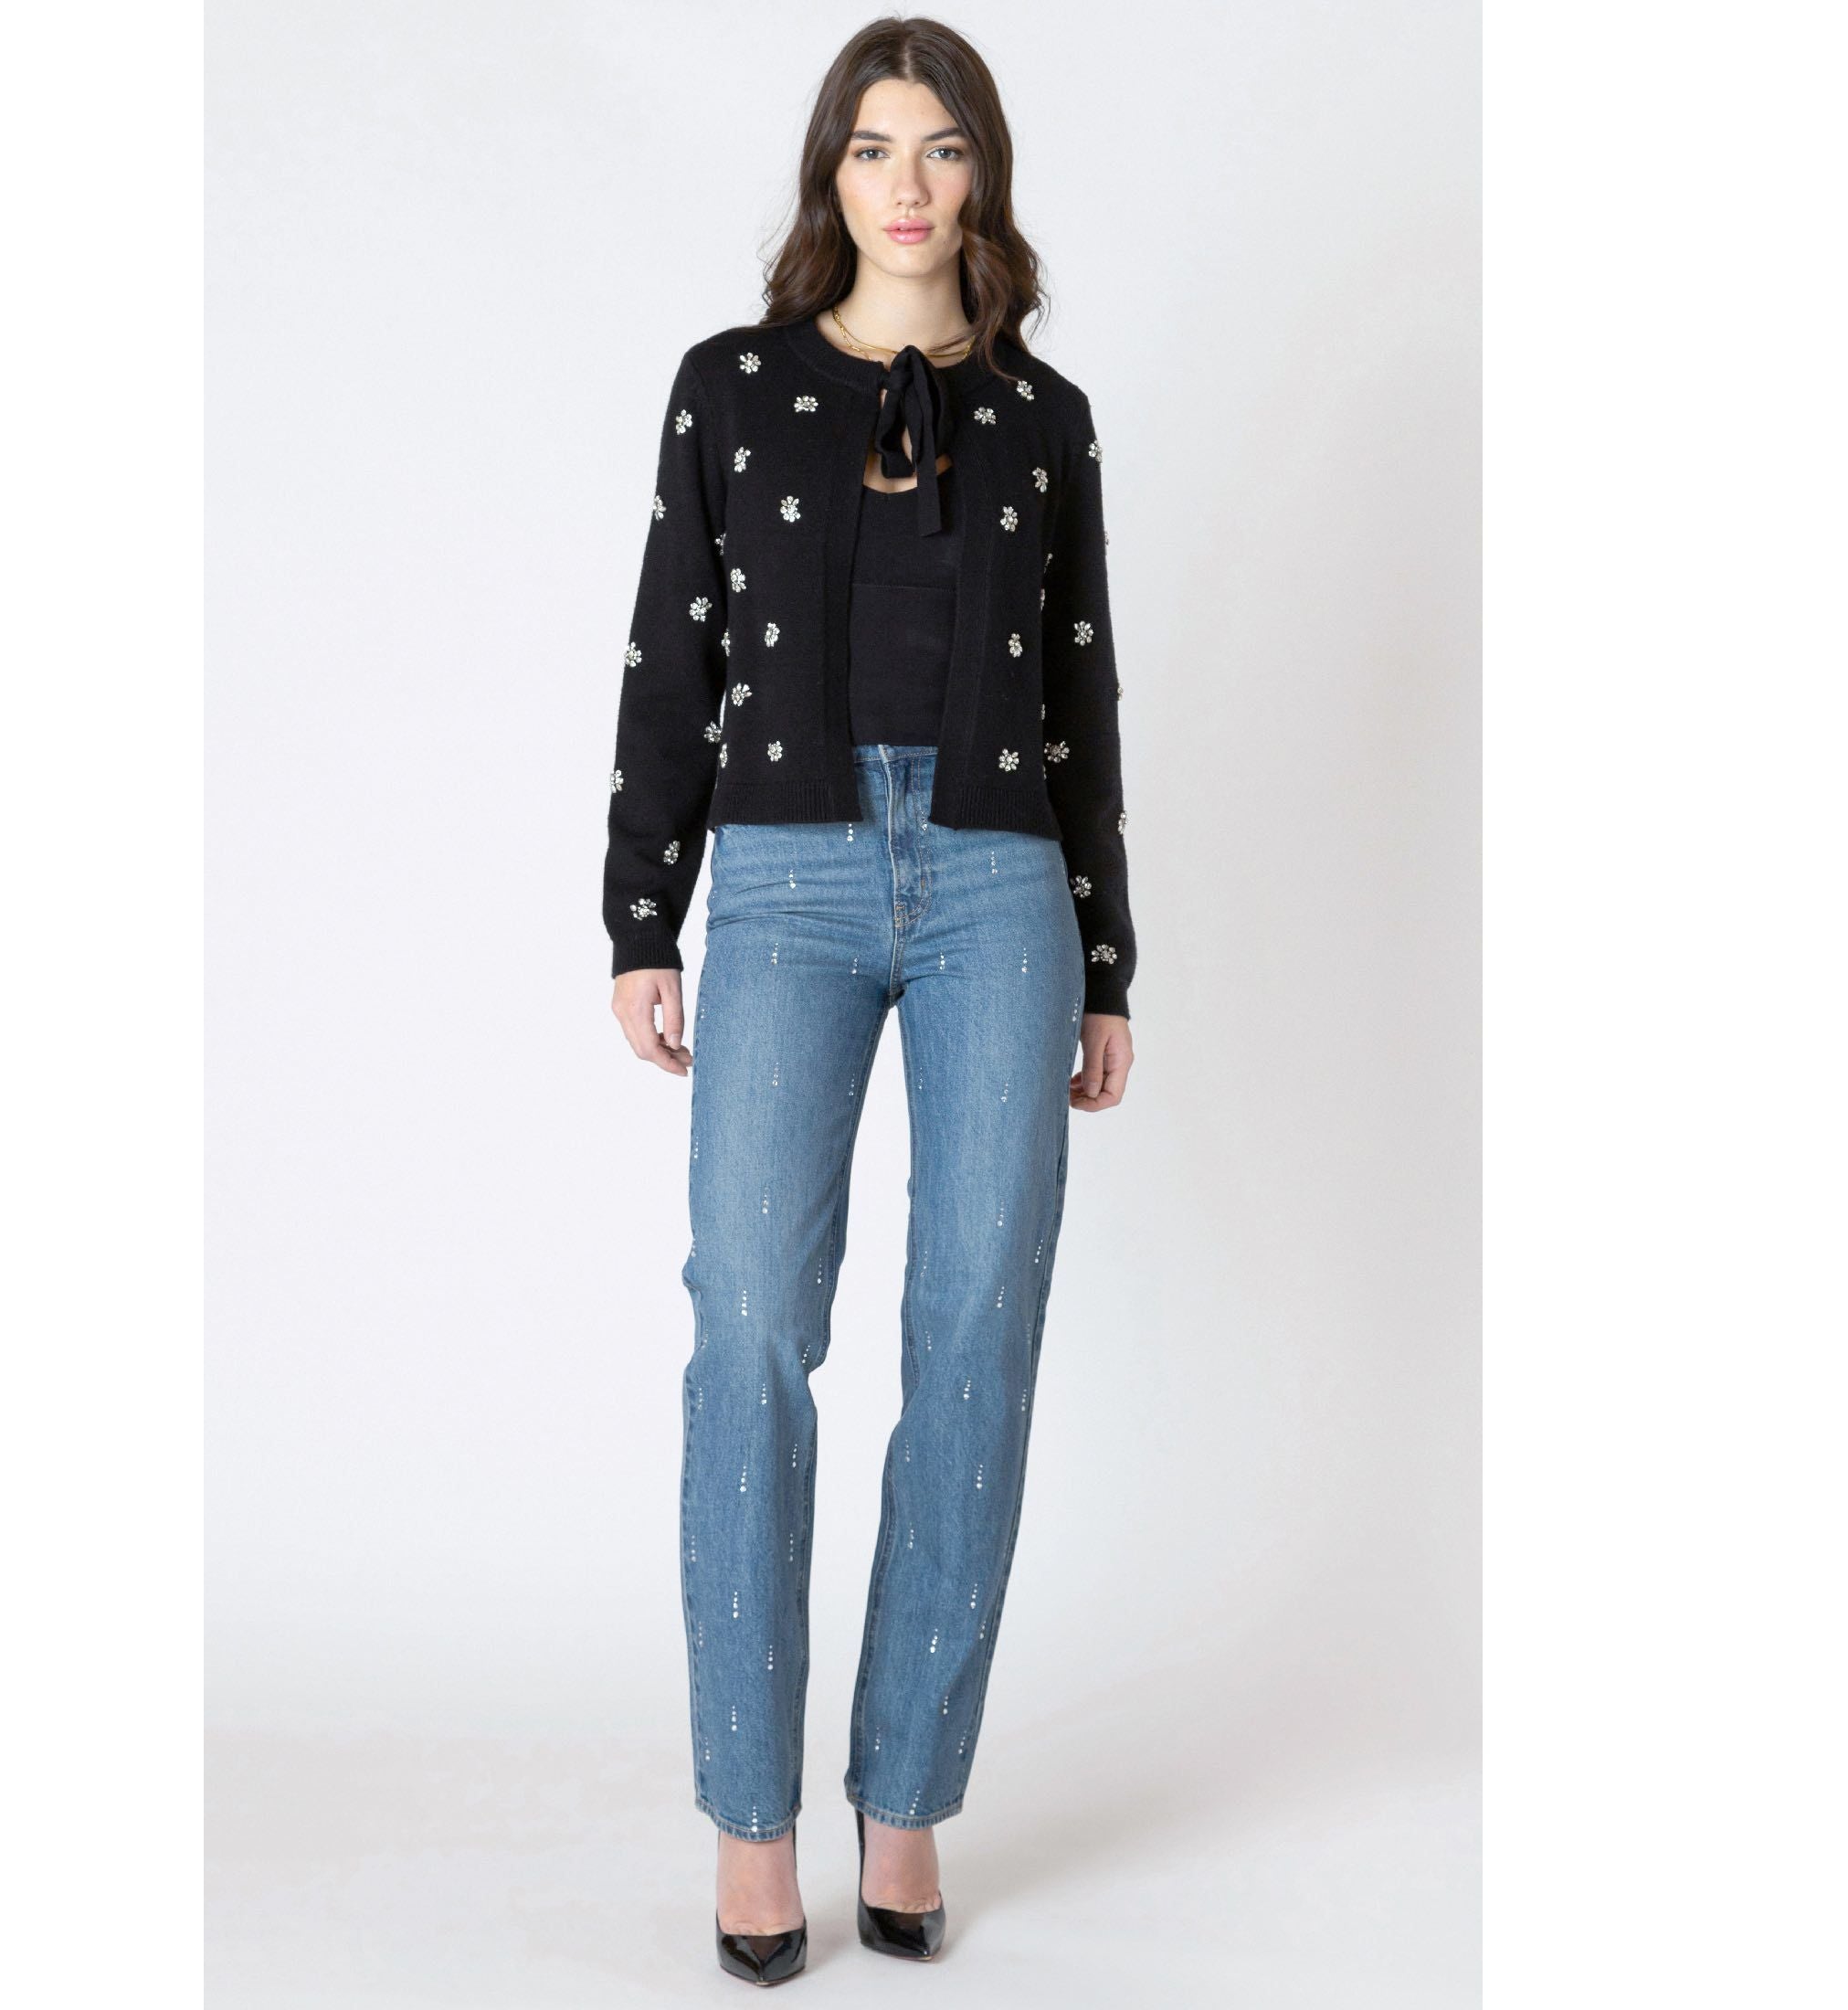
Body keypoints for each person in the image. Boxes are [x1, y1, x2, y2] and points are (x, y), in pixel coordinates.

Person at [600, 16, 1137, 1983]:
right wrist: (642, 914)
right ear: (828, 175)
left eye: (941, 148)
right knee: (749, 1318)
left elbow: (1078, 692)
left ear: (980, 176)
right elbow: (671, 658)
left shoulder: (1045, 418)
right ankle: (751, 1822)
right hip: (788, 879)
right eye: (871, 148)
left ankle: (903, 1794)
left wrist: (1108, 956)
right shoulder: (731, 390)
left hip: (1001, 888)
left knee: (977, 1329)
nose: (907, 184)